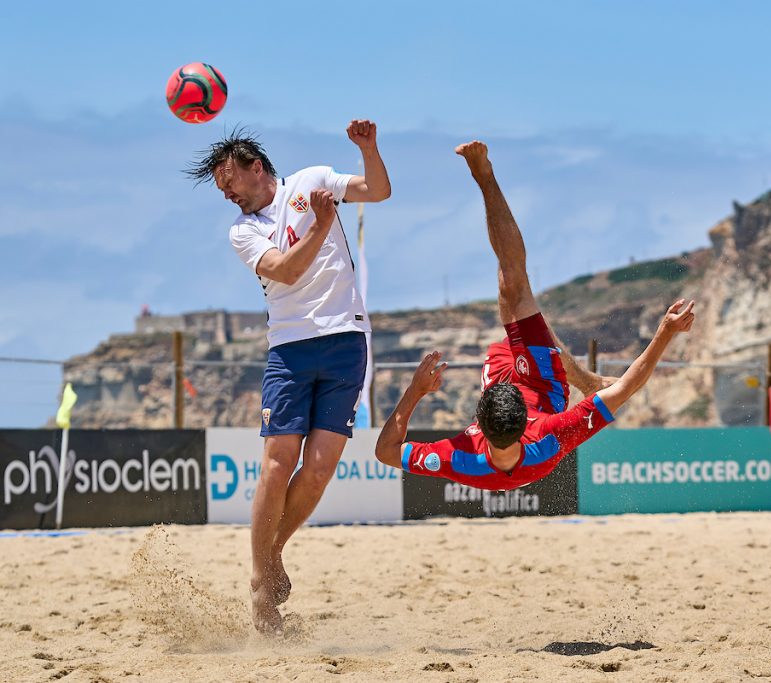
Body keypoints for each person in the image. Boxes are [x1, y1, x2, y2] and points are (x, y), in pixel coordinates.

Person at [375, 141, 695, 490]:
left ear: (479, 420)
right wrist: (665, 331)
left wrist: (415, 391)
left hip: (503, 387)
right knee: (512, 283)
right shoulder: (550, 435)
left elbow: (386, 452)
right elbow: (627, 386)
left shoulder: (462, 456)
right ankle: (485, 177)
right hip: (543, 384)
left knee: (507, 298)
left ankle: (578, 373)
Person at [186, 120, 391, 634]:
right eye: (221, 189)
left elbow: (379, 190)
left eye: (230, 180)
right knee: (279, 465)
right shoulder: (243, 229)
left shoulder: (312, 180)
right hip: (290, 348)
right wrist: (322, 227)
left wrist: (369, 149)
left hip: (346, 339)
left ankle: (274, 551)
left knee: (319, 469)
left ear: (257, 167)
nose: (227, 193)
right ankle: (260, 581)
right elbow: (285, 271)